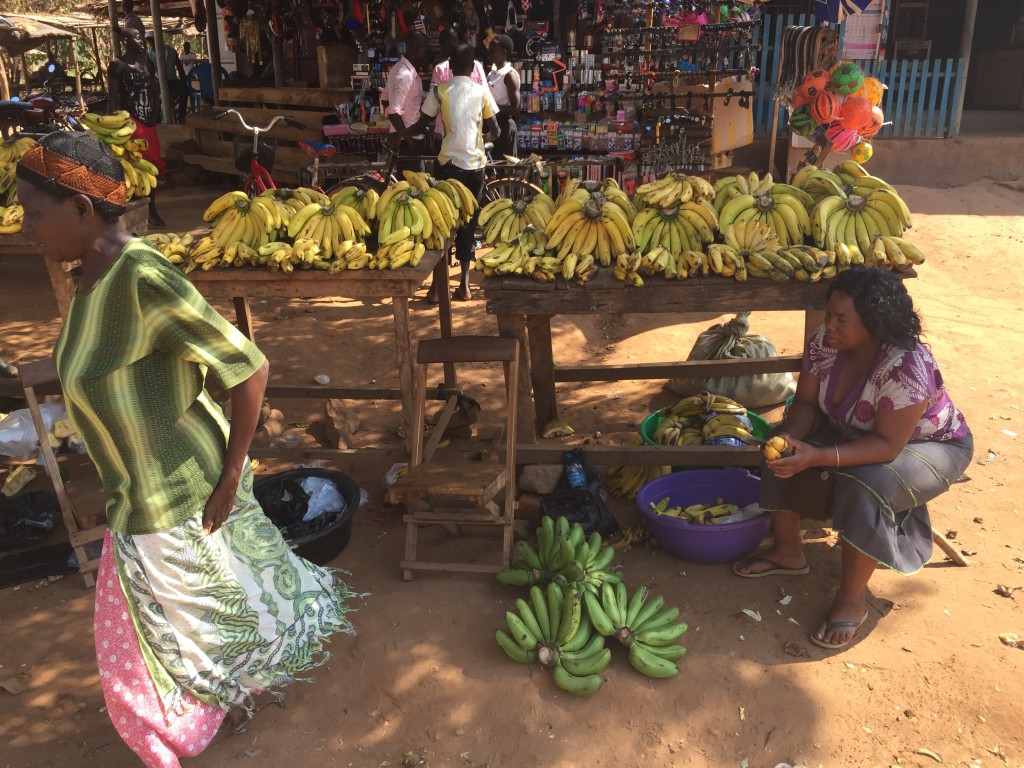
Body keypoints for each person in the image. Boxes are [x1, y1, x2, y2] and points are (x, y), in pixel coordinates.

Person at [16, 132, 358, 768]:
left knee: (201, 621)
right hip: (138, 493)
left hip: (178, 491)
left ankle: (182, 722)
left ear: (82, 210)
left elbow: (248, 369)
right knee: (199, 618)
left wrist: (231, 478)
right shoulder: (90, 279)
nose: (24, 225)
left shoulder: (141, 277)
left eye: (35, 212)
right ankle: (191, 710)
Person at [733, 269, 973, 650]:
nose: (829, 325)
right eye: (829, 314)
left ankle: (852, 599)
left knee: (867, 486)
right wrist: (790, 438)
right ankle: (788, 551)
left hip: (927, 445)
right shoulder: (824, 344)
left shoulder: (906, 367)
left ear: (875, 324)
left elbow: (887, 447)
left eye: (841, 319)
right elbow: (807, 404)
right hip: (853, 429)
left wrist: (820, 456)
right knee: (779, 446)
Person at [403, 44, 499, 302]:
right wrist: (479, 138)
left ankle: (436, 289)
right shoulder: (481, 92)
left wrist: (400, 134)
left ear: (451, 66)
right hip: (476, 168)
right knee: (469, 221)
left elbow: (422, 124)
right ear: (472, 68)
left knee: (443, 223)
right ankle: (465, 286)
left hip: (448, 166)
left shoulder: (440, 91)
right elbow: (496, 131)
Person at [108, 28, 166, 226]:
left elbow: (155, 91)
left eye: (142, 37)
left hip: (149, 121)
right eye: (136, 38)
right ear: (126, 40)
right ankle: (137, 213)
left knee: (152, 167)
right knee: (133, 167)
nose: (142, 41)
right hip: (130, 121)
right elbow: (113, 98)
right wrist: (111, 127)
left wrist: (155, 115)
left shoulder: (146, 63)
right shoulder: (118, 65)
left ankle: (152, 209)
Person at [383, 31, 429, 172]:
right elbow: (393, 112)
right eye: (424, 49)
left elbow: (385, 99)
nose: (426, 54)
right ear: (417, 48)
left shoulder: (397, 69)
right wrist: (409, 141)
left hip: (406, 138)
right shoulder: (405, 75)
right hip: (409, 141)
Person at [486, 34, 520, 159]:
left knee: (505, 170)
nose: (489, 52)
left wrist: (491, 106)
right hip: (491, 124)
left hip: (504, 126)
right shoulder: (492, 74)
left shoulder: (509, 75)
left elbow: (516, 109)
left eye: (493, 49)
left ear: (503, 53)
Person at [146, 34, 189, 123]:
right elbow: (151, 73)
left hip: (172, 80)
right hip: (159, 82)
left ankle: (182, 116)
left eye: (153, 40)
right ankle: (156, 119)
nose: (152, 43)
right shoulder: (148, 56)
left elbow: (180, 67)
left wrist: (184, 80)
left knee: (184, 89)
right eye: (150, 41)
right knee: (152, 95)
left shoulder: (171, 51)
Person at [180, 41, 200, 113]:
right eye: (185, 47)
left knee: (193, 88)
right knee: (185, 89)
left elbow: (196, 64)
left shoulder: (193, 55)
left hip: (192, 75)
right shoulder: (182, 55)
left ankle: (193, 105)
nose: (186, 48)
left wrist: (197, 73)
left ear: (189, 47)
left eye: (188, 47)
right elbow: (181, 66)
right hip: (184, 75)